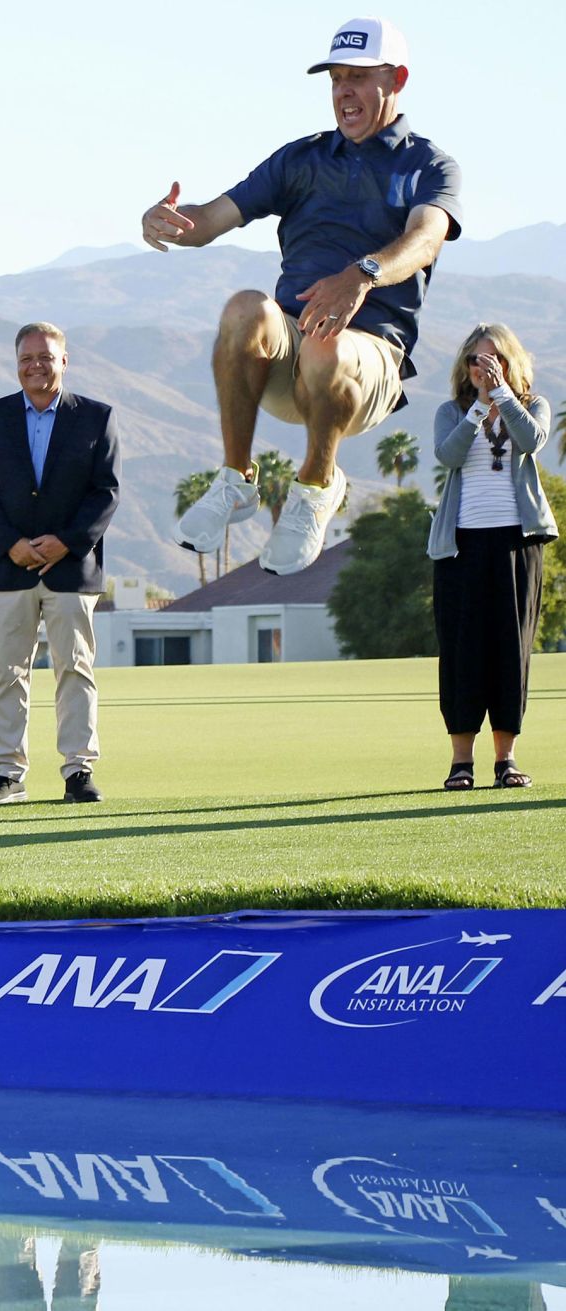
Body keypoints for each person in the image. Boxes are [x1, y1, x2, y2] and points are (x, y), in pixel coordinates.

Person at [143, 17, 462, 575]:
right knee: (246, 307)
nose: (344, 92)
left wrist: (360, 274)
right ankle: (236, 480)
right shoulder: (302, 158)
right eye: (336, 79)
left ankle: (316, 486)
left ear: (397, 80)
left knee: (326, 341)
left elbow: (425, 238)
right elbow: (210, 219)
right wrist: (170, 222)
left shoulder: (428, 164)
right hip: (291, 356)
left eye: (359, 78)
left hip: (366, 367)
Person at [0, 322, 120, 805]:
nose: (36, 365)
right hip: (8, 565)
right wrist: (10, 543)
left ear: (64, 361)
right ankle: (8, 774)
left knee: (74, 668)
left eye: (46, 357)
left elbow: (107, 492)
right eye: (28, 358)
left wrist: (67, 542)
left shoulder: (96, 417)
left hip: (71, 569)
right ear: (16, 364)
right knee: (7, 672)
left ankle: (79, 771)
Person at [428, 324, 556, 790]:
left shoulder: (532, 405)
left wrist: (502, 394)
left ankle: (507, 760)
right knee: (462, 651)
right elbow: (449, 455)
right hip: (460, 545)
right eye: (477, 361)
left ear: (510, 362)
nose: (484, 368)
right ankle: (461, 762)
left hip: (517, 544)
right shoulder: (452, 411)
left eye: (493, 360)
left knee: (510, 650)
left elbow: (531, 441)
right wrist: (480, 405)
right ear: (464, 367)